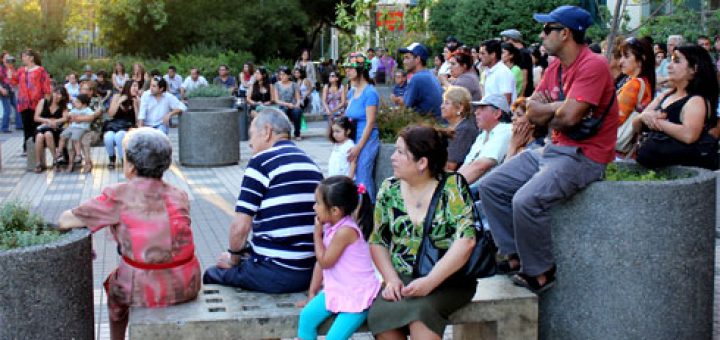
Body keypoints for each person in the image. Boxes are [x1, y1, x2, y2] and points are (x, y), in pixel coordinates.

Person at [478, 5, 618, 293]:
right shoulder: (555, 67)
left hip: (584, 155)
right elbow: (531, 110)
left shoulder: (593, 65)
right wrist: (551, 108)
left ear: (564, 33)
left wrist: (549, 109)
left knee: (525, 200)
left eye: (547, 29)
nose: (541, 35)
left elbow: (568, 118)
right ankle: (515, 255)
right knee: (491, 185)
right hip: (553, 148)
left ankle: (540, 271)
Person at [58, 127, 201, 340]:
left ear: (131, 166)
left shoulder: (119, 195)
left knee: (115, 289)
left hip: (144, 286)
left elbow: (64, 220)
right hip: (189, 281)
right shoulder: (179, 194)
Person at [367, 125, 478, 339]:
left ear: (422, 163)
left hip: (447, 278)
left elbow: (466, 241)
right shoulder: (389, 188)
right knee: (383, 319)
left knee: (421, 317)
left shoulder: (452, 186)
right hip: (402, 277)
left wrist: (429, 282)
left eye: (400, 152)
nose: (392, 158)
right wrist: (390, 280)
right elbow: (377, 240)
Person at [203, 108, 323, 293]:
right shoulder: (311, 164)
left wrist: (232, 259)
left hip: (276, 272)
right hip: (310, 270)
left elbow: (240, 227)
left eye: (251, 136)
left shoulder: (261, 162)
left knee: (212, 274)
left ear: (266, 131)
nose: (250, 144)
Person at [296, 176, 379, 340]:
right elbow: (320, 263)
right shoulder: (331, 226)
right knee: (306, 317)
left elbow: (325, 262)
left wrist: (316, 235)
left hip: (357, 295)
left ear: (335, 211)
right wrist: (312, 293)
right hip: (337, 290)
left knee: (334, 338)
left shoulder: (345, 231)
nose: (314, 207)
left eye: (318, 203)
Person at [632, 45, 719, 169]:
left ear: (693, 69)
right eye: (671, 60)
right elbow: (636, 125)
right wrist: (644, 116)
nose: (669, 65)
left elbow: (689, 135)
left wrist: (657, 121)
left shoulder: (696, 101)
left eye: (677, 61)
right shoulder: (665, 95)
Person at [343, 52, 380, 201]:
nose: (347, 71)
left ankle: (369, 212)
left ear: (360, 70)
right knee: (352, 176)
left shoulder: (370, 92)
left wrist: (359, 147)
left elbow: (370, 122)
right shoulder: (352, 91)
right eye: (346, 68)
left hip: (367, 138)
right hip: (353, 137)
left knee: (363, 176)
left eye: (351, 68)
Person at [458, 94, 513, 187]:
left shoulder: (505, 130)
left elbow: (481, 166)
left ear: (497, 113)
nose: (476, 112)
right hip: (471, 189)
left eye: (482, 108)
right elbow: (467, 165)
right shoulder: (483, 134)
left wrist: (451, 189)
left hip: (483, 193)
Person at [615, 37, 655, 157]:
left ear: (641, 59)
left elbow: (615, 118)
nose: (620, 62)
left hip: (619, 149)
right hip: (630, 149)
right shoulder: (645, 82)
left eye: (626, 56)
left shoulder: (634, 84)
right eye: (621, 56)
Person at [12, 49, 52, 155]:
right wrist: (9, 71)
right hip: (24, 103)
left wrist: (46, 103)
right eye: (22, 56)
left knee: (36, 126)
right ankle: (26, 148)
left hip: (37, 103)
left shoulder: (40, 70)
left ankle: (37, 148)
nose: (22, 58)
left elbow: (46, 87)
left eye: (24, 56)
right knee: (26, 126)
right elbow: (13, 81)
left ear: (31, 58)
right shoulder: (21, 70)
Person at [399, 43, 443, 119]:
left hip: (432, 126)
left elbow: (405, 106)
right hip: (438, 124)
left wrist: (397, 100)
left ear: (417, 59)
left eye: (407, 58)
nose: (404, 62)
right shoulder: (430, 74)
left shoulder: (418, 78)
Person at [33, 85, 69, 173]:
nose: (57, 96)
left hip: (55, 130)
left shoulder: (63, 106)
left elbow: (65, 118)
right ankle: (38, 163)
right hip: (42, 127)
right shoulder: (43, 102)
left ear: (63, 97)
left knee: (48, 134)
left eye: (60, 94)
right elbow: (36, 117)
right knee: (40, 136)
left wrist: (55, 122)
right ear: (52, 93)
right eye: (56, 93)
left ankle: (55, 160)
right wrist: (48, 121)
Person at [441, 86, 479, 171]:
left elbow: (450, 166)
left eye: (446, 103)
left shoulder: (464, 130)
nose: (442, 106)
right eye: (443, 103)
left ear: (460, 108)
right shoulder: (453, 126)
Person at [104, 80, 139, 169]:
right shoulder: (117, 96)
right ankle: (112, 158)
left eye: (137, 86)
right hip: (115, 124)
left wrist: (135, 105)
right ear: (128, 87)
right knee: (108, 137)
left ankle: (124, 160)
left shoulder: (137, 99)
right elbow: (111, 114)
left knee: (119, 136)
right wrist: (119, 102)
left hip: (129, 126)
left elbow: (138, 120)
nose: (136, 88)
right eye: (134, 86)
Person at [57, 94, 94, 172]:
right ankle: (59, 152)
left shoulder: (88, 110)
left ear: (83, 104)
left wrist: (77, 118)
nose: (75, 103)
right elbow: (68, 116)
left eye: (77, 102)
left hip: (82, 128)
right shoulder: (74, 110)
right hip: (72, 128)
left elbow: (91, 117)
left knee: (74, 138)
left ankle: (78, 155)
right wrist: (68, 115)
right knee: (62, 135)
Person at [479, 39, 516, 105]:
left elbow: (506, 100)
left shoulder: (503, 72)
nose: (480, 56)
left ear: (493, 55)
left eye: (483, 53)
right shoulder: (487, 71)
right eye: (480, 53)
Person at [500, 28, 535, 97]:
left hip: (524, 94)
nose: (504, 43)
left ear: (511, 39)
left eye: (505, 40)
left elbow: (524, 79)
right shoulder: (523, 52)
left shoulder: (523, 53)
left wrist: (520, 98)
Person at [274, 67, 302, 138]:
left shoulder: (294, 85)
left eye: (283, 75)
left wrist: (297, 105)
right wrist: (287, 104)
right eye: (280, 75)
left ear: (289, 76)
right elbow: (276, 100)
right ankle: (286, 133)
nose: (281, 76)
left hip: (293, 106)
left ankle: (297, 133)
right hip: (282, 106)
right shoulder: (277, 85)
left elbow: (298, 99)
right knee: (283, 111)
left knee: (297, 111)